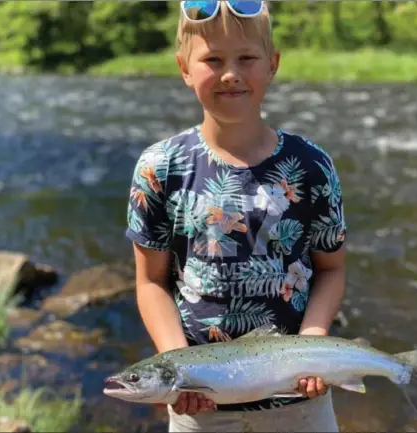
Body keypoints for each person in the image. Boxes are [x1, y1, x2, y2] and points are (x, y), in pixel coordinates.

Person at [125, 1, 347, 431]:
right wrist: (177, 372)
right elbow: (151, 281)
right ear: (184, 69)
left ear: (273, 64)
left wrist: (314, 342)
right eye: (212, 59)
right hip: (199, 411)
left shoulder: (312, 165)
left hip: (299, 401)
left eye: (246, 58)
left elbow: (332, 269)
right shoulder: (159, 167)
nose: (231, 73)